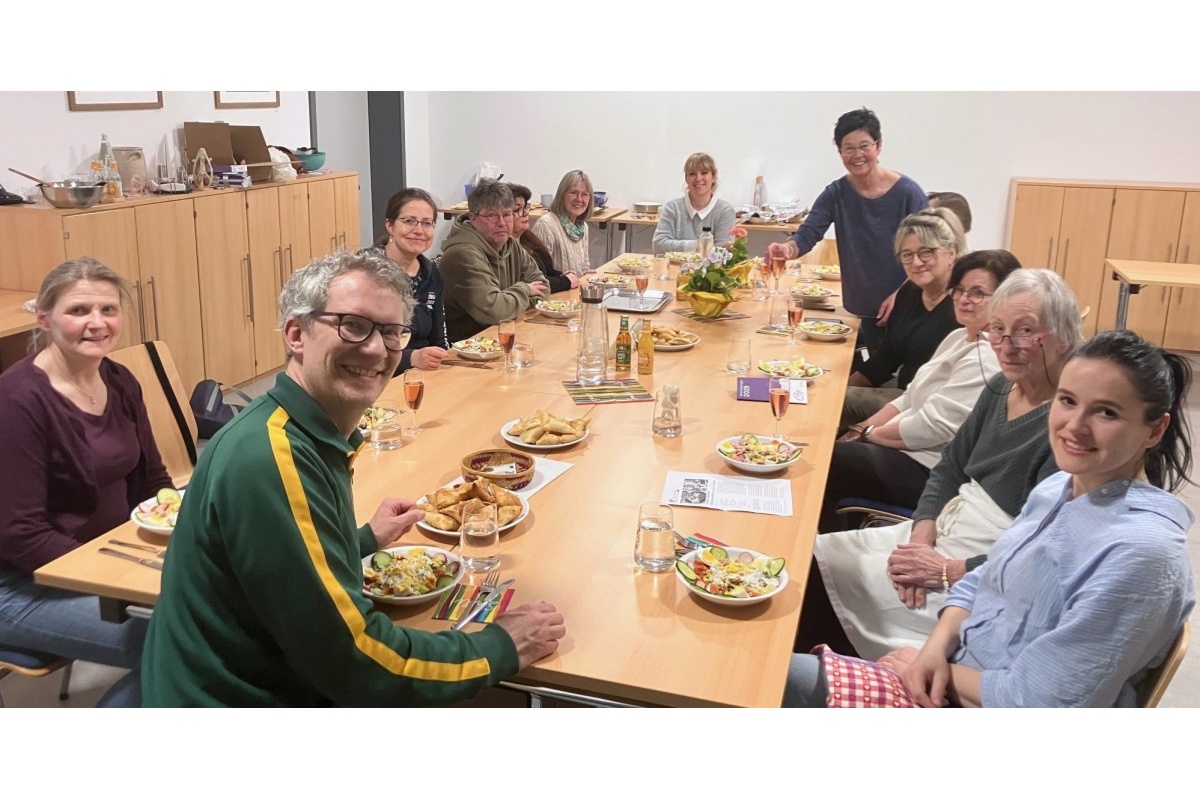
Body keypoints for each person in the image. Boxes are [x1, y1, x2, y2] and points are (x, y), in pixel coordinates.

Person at [142, 249, 566, 706]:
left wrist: (360, 541)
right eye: (353, 325)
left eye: (391, 332)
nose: (375, 349)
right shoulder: (269, 459)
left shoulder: (301, 428)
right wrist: (500, 647)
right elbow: (354, 660)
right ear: (295, 334)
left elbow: (277, 570)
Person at [786, 329, 1194, 707]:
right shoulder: (1060, 489)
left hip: (974, 701)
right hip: (952, 662)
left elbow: (1040, 702)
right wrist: (934, 647)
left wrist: (933, 668)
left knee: (775, 682)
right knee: (793, 598)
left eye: (1106, 413)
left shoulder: (1140, 555)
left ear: (1154, 431)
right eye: (1068, 401)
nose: (1075, 426)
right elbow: (988, 577)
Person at [798, 269, 1083, 660]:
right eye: (997, 329)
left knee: (820, 582)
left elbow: (1042, 551)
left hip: (981, 571)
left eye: (1025, 331)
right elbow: (950, 468)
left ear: (1064, 337)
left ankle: (833, 679)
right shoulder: (1001, 386)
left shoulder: (1071, 427)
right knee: (805, 560)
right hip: (940, 534)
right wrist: (919, 541)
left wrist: (946, 570)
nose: (1006, 345)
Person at [0, 258, 174, 707]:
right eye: (78, 311)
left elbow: (153, 481)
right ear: (44, 318)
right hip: (21, 587)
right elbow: (20, 536)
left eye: (108, 310)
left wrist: (183, 532)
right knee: (185, 644)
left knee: (222, 624)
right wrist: (121, 574)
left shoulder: (117, 379)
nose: (96, 323)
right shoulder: (17, 401)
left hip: (105, 561)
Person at [819, 250, 1021, 532]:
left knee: (823, 460)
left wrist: (868, 435)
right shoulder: (959, 337)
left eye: (978, 293)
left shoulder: (986, 357)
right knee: (830, 448)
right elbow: (910, 396)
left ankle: (817, 561)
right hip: (906, 449)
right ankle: (827, 541)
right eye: (960, 289)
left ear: (1005, 297)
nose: (964, 299)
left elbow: (933, 427)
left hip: (929, 470)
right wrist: (862, 428)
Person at [765, 108, 928, 354]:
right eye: (848, 148)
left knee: (896, 377)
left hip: (905, 308)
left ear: (879, 146)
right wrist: (787, 249)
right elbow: (809, 232)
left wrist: (904, 294)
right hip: (860, 308)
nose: (857, 155)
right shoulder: (836, 193)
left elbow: (928, 253)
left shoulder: (908, 193)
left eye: (864, 146)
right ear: (840, 152)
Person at [840, 208, 967, 426]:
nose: (917, 262)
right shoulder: (910, 293)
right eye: (907, 255)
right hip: (904, 389)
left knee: (834, 403)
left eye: (926, 252)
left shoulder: (963, 305)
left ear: (951, 253)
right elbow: (888, 355)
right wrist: (844, 384)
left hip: (927, 406)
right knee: (828, 392)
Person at [440, 181, 548, 343]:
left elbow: (543, 288)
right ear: (473, 218)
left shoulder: (510, 243)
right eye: (491, 215)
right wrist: (525, 289)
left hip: (504, 337)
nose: (502, 223)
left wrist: (509, 304)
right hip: (468, 350)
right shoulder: (462, 254)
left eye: (507, 214)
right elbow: (496, 312)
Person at [365, 187, 448, 373]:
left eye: (427, 223)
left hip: (422, 373)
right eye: (409, 221)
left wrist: (439, 357)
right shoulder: (366, 271)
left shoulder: (431, 272)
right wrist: (412, 358)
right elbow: (360, 345)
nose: (419, 230)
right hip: (374, 375)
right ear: (390, 225)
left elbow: (440, 338)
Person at [652, 152, 737, 254]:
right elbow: (658, 246)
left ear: (713, 177)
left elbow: (723, 253)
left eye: (704, 173)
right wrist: (700, 244)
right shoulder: (672, 208)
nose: (698, 178)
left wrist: (675, 246)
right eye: (692, 174)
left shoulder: (725, 211)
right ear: (686, 178)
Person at [508, 182, 579, 293]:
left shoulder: (528, 239)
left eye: (526, 207)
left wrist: (562, 275)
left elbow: (546, 271)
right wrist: (564, 281)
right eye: (517, 209)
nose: (525, 213)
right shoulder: (505, 248)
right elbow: (530, 283)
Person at [531, 170, 594, 278]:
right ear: (562, 195)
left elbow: (584, 267)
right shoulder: (546, 225)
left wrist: (585, 274)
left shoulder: (582, 227)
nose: (579, 199)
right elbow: (536, 275)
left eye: (584, 194)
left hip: (573, 290)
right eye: (573, 193)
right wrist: (563, 281)